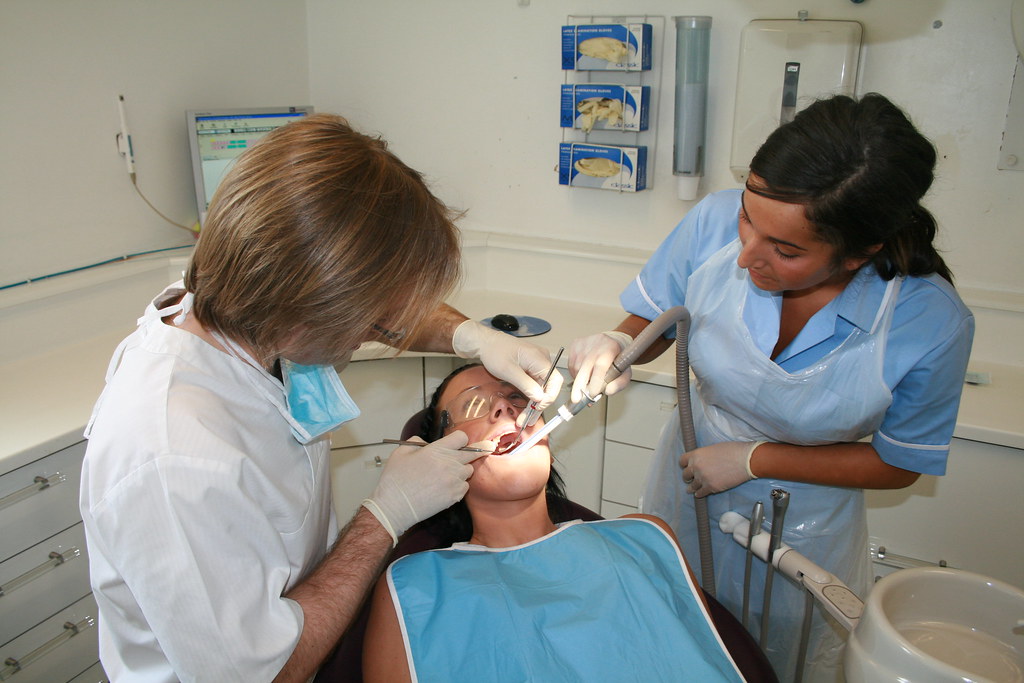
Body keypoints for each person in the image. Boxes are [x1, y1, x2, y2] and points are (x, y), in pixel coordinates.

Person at [79, 113, 563, 683]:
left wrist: (472, 336)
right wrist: (382, 520)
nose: (381, 332)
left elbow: (391, 312)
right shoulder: (174, 457)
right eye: (370, 319)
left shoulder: (244, 307)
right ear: (311, 303)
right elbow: (266, 672)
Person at [569, 93, 974, 681]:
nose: (744, 256)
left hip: (804, 522)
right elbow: (662, 319)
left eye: (784, 250)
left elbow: (899, 463)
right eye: (747, 220)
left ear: (862, 251)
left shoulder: (928, 321)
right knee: (673, 631)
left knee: (779, 656)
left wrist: (755, 460)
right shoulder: (713, 222)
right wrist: (619, 344)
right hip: (687, 480)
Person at [361, 364, 746, 683]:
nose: (505, 408)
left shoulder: (645, 537)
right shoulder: (413, 585)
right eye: (475, 402)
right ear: (439, 455)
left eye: (516, 397)